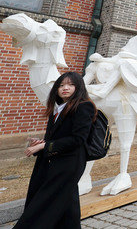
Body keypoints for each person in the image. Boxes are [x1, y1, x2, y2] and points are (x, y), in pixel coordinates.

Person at [15, 72, 96, 229]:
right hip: (53, 160)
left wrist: (44, 146)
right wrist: (41, 143)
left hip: (69, 163)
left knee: (43, 203)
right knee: (67, 204)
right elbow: (56, 138)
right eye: (61, 85)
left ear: (78, 88)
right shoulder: (57, 108)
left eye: (70, 85)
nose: (65, 88)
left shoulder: (84, 107)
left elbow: (77, 139)